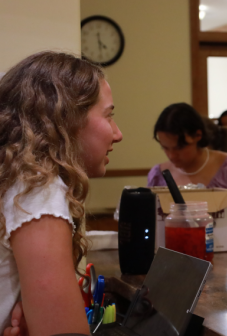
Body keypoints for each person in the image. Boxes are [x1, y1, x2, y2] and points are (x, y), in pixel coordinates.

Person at [0, 51, 123, 335]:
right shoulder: (37, 188)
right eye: (109, 116)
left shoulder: (13, 177)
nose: (117, 133)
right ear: (67, 121)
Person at [147, 103, 227, 254]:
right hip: (173, 263)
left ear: (198, 135)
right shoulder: (158, 175)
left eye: (178, 148)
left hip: (226, 263)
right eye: (165, 147)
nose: (171, 155)